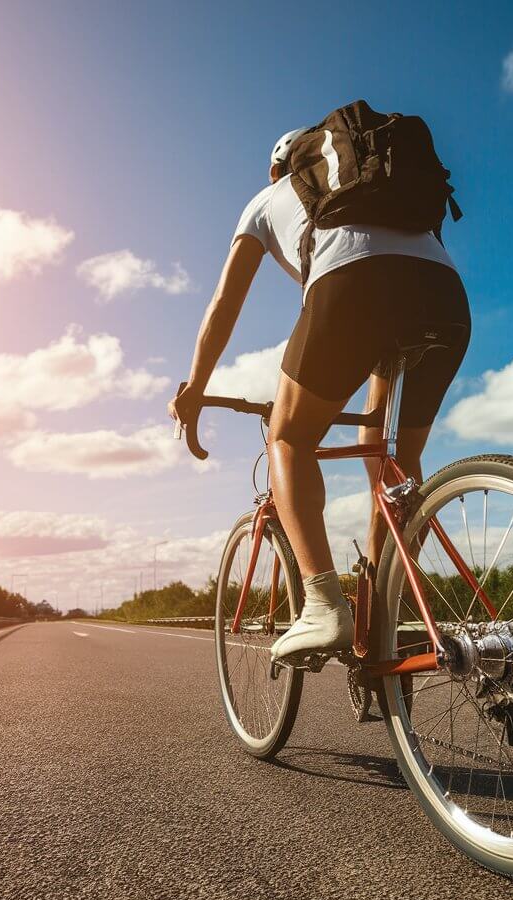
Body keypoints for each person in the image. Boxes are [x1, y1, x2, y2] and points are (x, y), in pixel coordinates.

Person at [168, 125, 471, 663]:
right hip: (444, 295)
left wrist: (196, 388)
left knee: (289, 436)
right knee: (394, 456)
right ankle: (385, 614)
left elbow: (224, 305)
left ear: (278, 169)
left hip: (351, 288)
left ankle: (323, 603)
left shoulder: (265, 200)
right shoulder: (385, 185)